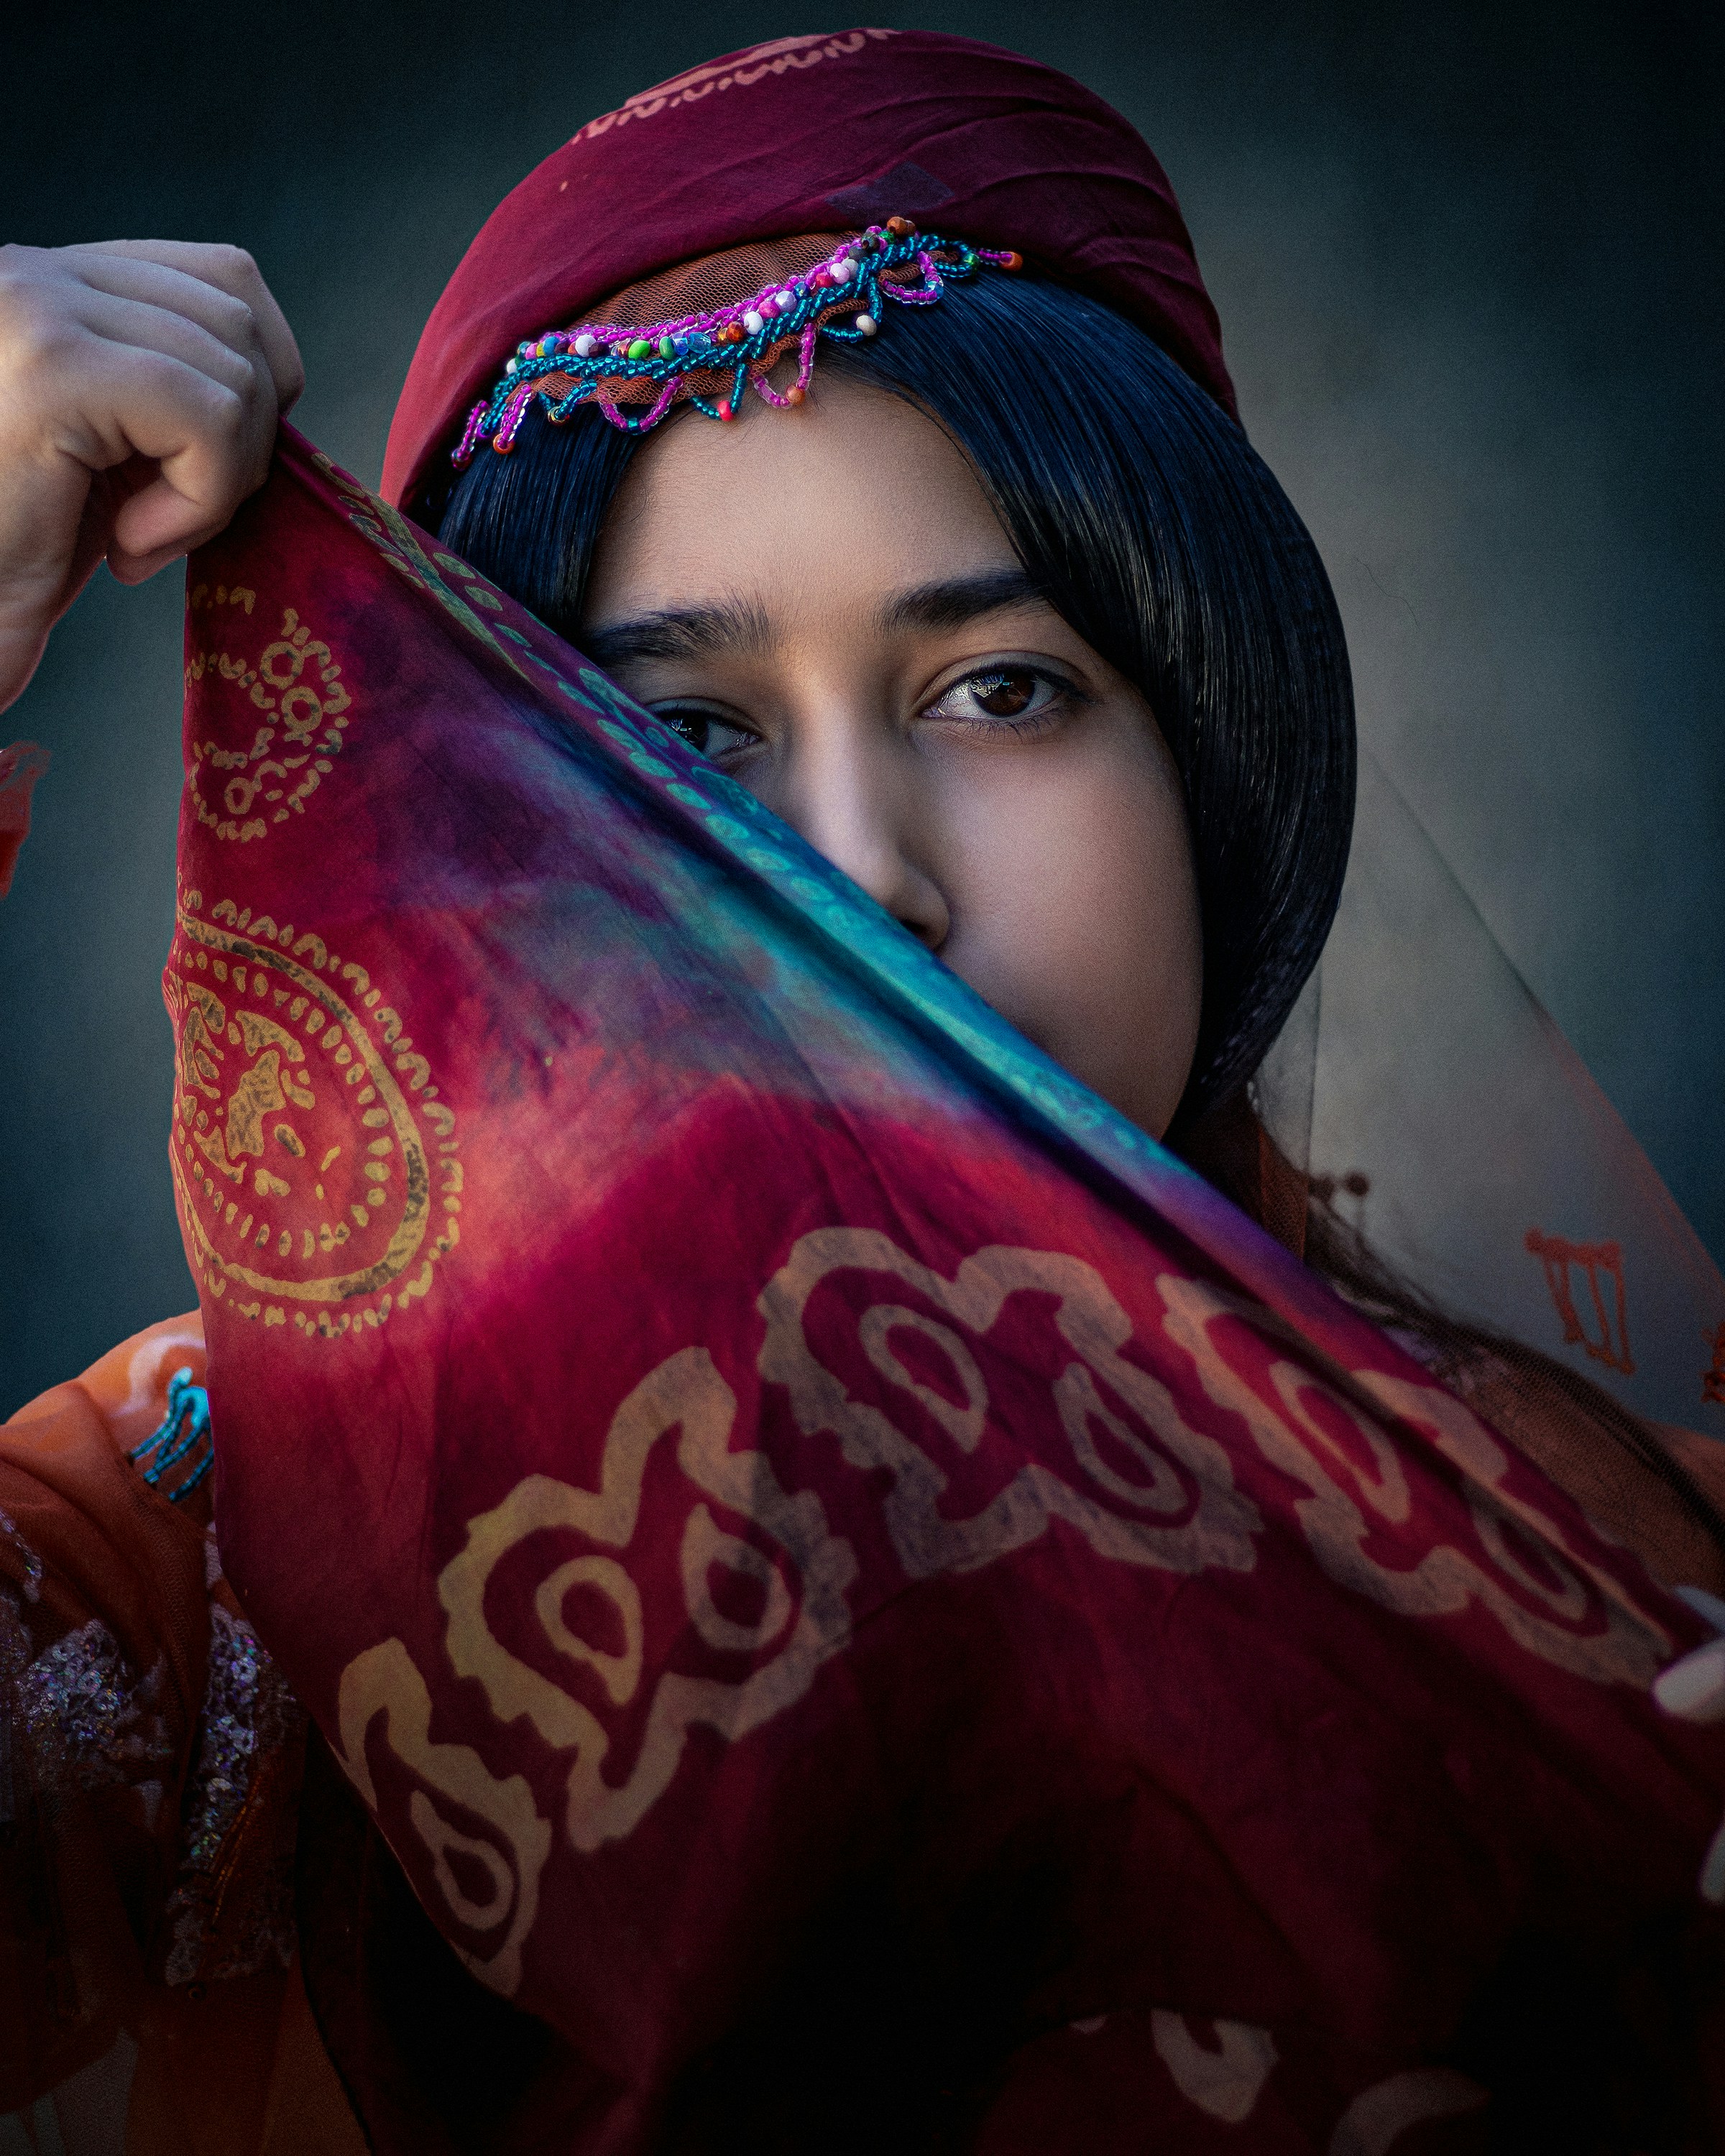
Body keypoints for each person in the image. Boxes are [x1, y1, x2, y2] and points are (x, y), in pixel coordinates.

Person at [2, 29, 1724, 2155]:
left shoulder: (1631, 1611)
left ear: (1218, 771)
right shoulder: (195, 1574)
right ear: (470, 869)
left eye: (1004, 692)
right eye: (687, 742)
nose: (864, 883)